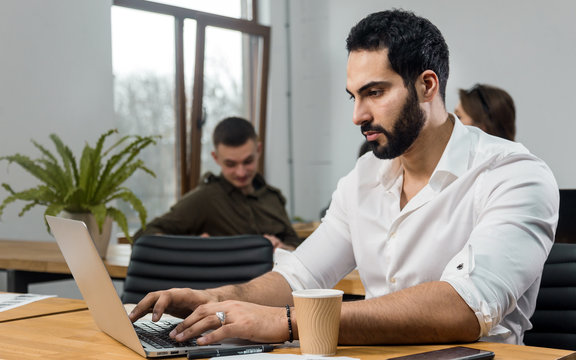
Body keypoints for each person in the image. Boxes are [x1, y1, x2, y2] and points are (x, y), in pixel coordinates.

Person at [129, 9, 558, 347]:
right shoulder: (365, 176)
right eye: (354, 97)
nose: (358, 115)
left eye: (375, 92)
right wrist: (222, 299)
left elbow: (465, 307)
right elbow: (300, 275)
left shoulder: (514, 175)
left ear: (427, 86)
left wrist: (288, 323)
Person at [133, 116, 301, 250]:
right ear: (216, 158)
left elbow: (295, 244)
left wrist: (282, 248)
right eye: (231, 164)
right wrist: (191, 245)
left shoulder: (273, 197)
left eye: (248, 161)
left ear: (258, 150)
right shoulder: (205, 198)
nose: (241, 172)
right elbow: (143, 236)